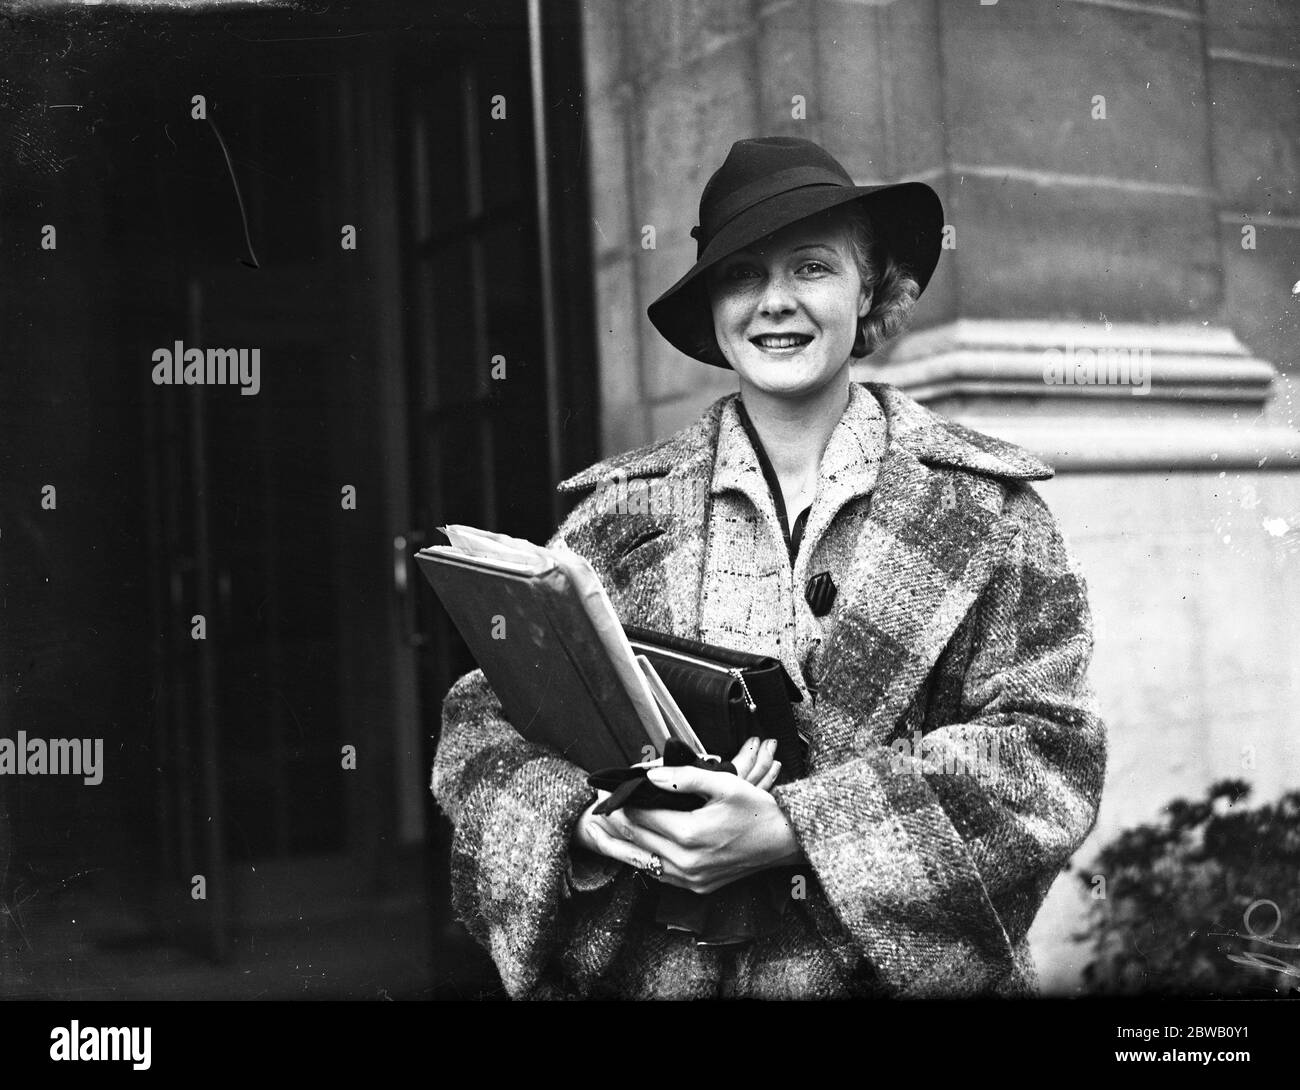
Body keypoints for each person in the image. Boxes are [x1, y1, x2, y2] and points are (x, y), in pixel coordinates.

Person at [430, 136, 1106, 999]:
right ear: (715, 305)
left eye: (812, 268)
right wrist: (591, 825)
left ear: (870, 289)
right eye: (743, 274)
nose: (774, 303)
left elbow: (1049, 757)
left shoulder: (991, 510)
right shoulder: (617, 512)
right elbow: (479, 733)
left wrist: (797, 829)